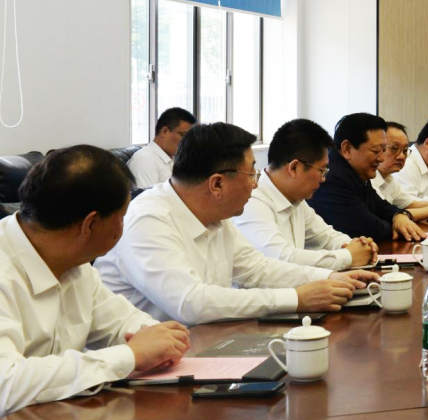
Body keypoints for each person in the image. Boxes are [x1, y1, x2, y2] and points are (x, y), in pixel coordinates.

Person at [96, 123, 380, 325]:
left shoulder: (216, 217)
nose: (256, 185)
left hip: (199, 347)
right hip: (137, 375)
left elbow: (258, 269)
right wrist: (295, 298)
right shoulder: (149, 219)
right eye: (251, 175)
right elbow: (191, 303)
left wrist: (328, 278)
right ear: (217, 184)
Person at [0, 146, 191, 415]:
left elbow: (122, 322)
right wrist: (130, 355)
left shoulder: (74, 262)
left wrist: (158, 338)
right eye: (122, 217)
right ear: (90, 224)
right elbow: (6, 384)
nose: (123, 227)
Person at [233, 119, 378, 270]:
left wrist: (356, 246)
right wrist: (348, 256)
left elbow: (327, 236)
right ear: (294, 168)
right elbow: (282, 258)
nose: (323, 178)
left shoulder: (296, 199)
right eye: (322, 170)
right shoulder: (251, 200)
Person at [308, 113, 427, 241]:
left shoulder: (357, 170)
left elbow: (381, 206)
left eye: (383, 150)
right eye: (376, 151)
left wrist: (399, 216)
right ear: (347, 149)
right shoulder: (333, 178)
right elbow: (369, 229)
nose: (381, 158)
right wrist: (396, 226)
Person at [372, 121, 428, 219]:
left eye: (405, 150)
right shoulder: (370, 179)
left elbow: (410, 203)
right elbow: (388, 215)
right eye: (394, 148)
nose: (401, 156)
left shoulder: (389, 179)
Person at [127, 107, 196, 189]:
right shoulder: (145, 159)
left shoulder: (174, 159)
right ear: (164, 131)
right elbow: (146, 196)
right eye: (184, 135)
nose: (187, 141)